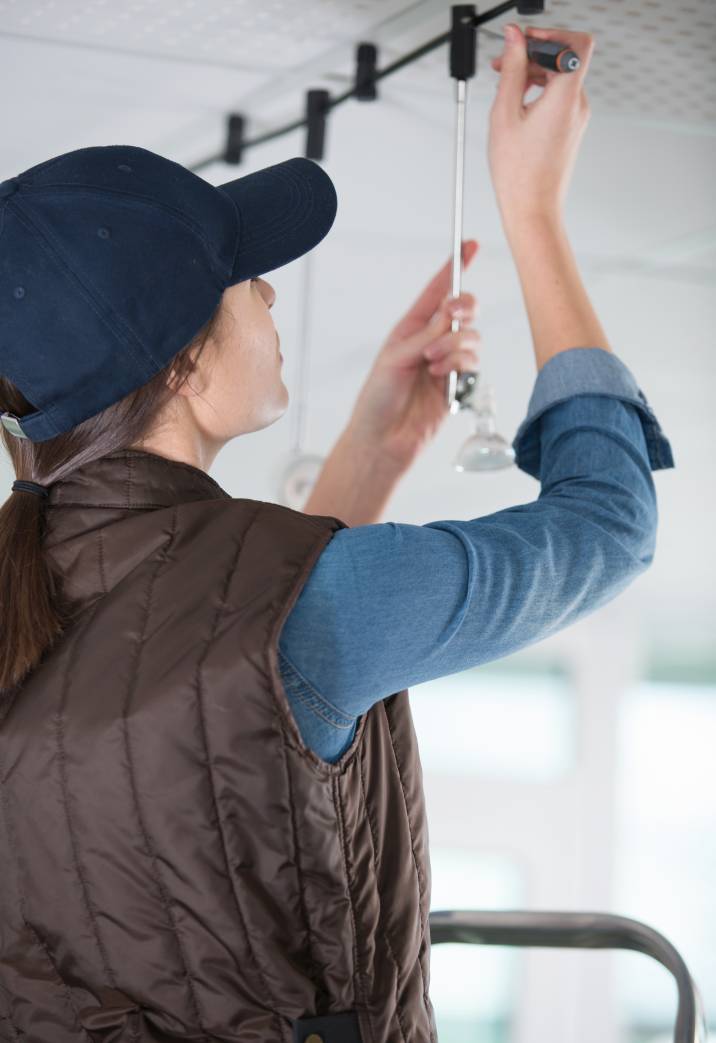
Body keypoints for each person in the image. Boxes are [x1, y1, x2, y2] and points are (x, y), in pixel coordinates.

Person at [0, 23, 673, 1043]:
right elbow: (607, 523)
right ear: (182, 363)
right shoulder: (316, 607)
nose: (268, 289)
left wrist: (370, 458)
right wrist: (531, 210)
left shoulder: (30, 598)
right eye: (243, 275)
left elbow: (232, 709)